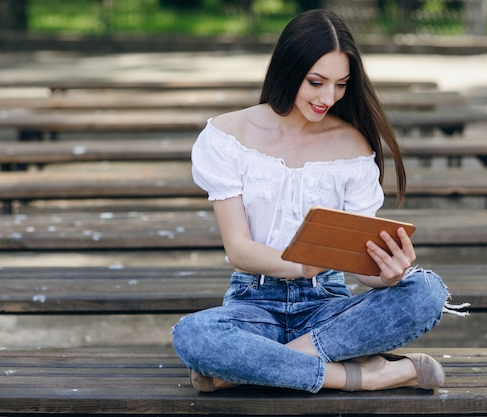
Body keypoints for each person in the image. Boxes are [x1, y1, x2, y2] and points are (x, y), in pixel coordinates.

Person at [173, 9, 460, 394]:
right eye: (316, 82)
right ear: (289, 69)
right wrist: (303, 264)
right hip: (253, 303)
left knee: (427, 290)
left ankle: (248, 367)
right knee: (195, 335)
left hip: (327, 307)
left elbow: (360, 266)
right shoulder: (227, 135)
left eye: (341, 84)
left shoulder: (352, 146)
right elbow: (239, 249)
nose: (329, 97)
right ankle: (360, 377)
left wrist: (388, 274)